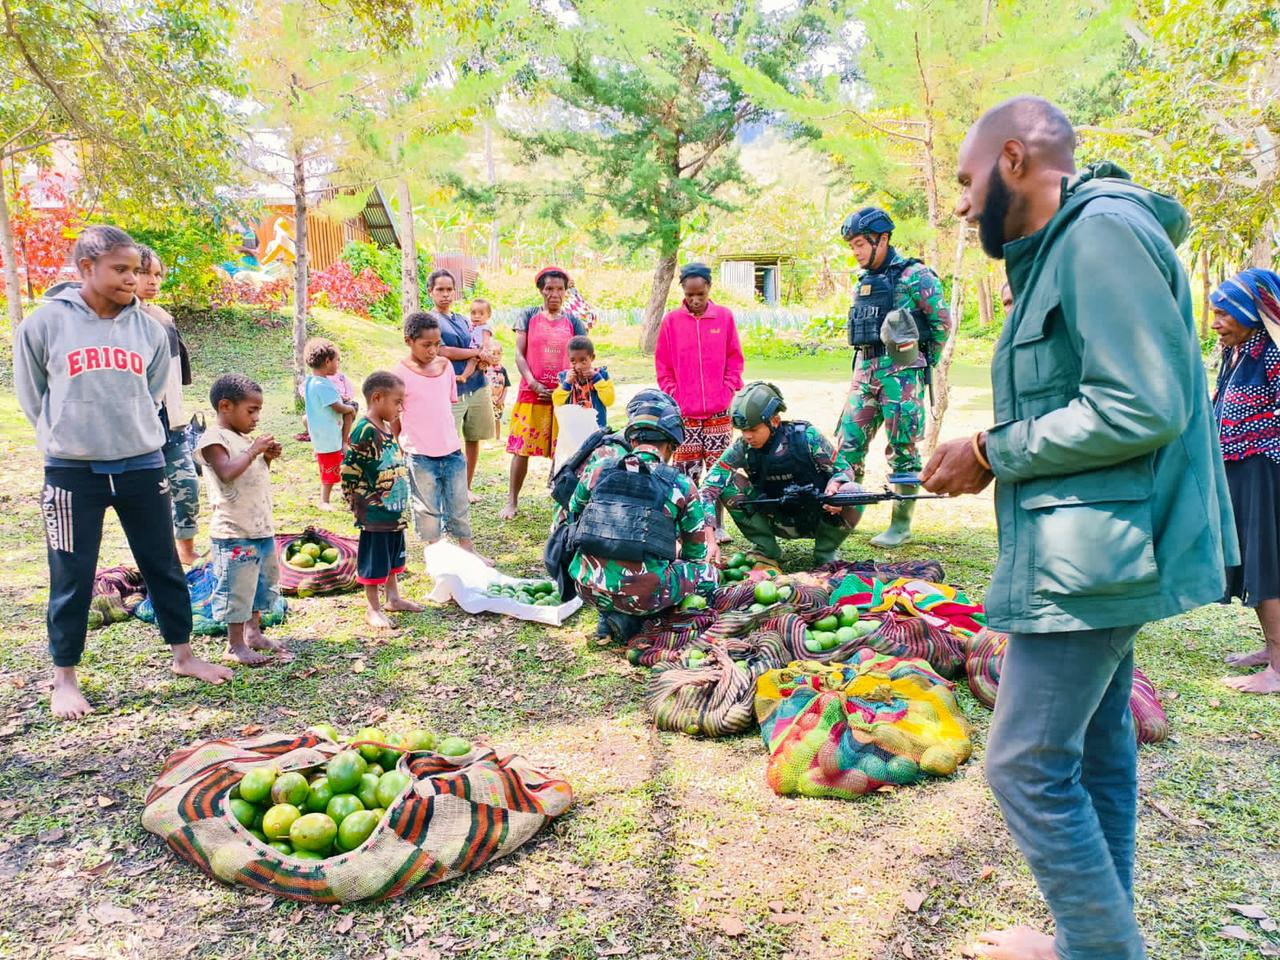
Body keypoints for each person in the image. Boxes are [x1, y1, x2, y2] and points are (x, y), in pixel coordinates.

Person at [923, 96, 1235, 960]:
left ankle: (1102, 950)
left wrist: (990, 449)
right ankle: (1089, 940)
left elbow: (1140, 405)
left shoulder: (1099, 235)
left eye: (966, 180)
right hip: (1088, 548)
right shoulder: (1062, 248)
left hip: (1097, 556)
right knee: (1096, 746)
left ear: (1014, 159)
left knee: (1022, 763)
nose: (961, 204)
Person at [13, 225, 233, 719]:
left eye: (136, 269)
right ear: (86, 268)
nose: (132, 278)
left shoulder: (149, 329)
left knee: (162, 563)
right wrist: (66, 436)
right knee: (72, 573)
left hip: (141, 464)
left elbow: (152, 391)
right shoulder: (44, 324)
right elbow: (32, 395)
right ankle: (64, 679)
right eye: (120, 269)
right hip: (72, 472)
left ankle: (184, 655)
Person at [834, 206, 951, 548]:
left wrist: (921, 362)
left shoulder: (916, 276)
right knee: (848, 443)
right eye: (852, 245)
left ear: (882, 239)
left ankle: (900, 525)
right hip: (865, 371)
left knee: (903, 447)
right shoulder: (864, 280)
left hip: (901, 375)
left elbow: (941, 324)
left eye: (860, 244)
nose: (855, 252)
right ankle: (846, 516)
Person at [565, 390, 719, 641]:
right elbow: (695, 555)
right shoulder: (680, 484)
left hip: (587, 587)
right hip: (643, 596)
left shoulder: (598, 470)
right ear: (670, 445)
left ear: (633, 440)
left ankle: (610, 614)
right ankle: (648, 619)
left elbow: (574, 509)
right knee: (708, 575)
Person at [702, 382, 863, 568]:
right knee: (727, 483)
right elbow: (708, 488)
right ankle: (766, 548)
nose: (747, 436)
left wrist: (835, 486)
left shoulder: (806, 437)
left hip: (819, 516)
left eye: (753, 429)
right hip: (774, 517)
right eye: (743, 431)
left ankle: (825, 551)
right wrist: (710, 539)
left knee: (853, 491)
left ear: (775, 421)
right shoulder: (743, 448)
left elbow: (844, 470)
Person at [1210, 269, 1280, 695]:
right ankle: (1271, 649)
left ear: (1250, 313)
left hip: (1264, 471)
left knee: (1267, 564)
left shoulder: (1273, 353)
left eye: (1224, 314)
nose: (1215, 323)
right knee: (1255, 561)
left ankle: (1279, 668)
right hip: (1239, 468)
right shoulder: (1237, 351)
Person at [195, 374, 290, 665]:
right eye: (252, 410)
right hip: (233, 532)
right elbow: (226, 472)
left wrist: (266, 457)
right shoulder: (214, 439)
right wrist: (253, 451)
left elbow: (250, 474)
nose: (256, 417)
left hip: (259, 527)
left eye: (258, 410)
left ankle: (253, 633)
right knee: (236, 589)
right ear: (225, 406)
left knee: (259, 584)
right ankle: (234, 645)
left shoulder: (243, 439)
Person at [654, 262, 744, 540]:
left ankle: (717, 526)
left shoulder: (724, 318)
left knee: (719, 471)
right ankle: (688, 529)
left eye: (700, 294)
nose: (695, 300)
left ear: (709, 289)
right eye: (689, 295)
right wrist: (675, 396)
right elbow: (663, 366)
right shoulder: (671, 322)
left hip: (719, 413)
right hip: (686, 415)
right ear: (682, 291)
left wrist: (728, 390)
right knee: (685, 473)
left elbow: (735, 359)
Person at [397, 312, 487, 561]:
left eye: (437, 344)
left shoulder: (445, 366)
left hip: (451, 449)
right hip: (419, 453)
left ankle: (467, 550)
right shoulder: (399, 374)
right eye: (426, 345)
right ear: (409, 341)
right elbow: (394, 415)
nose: (433, 350)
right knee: (426, 507)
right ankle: (437, 555)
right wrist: (401, 444)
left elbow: (446, 404)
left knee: (458, 502)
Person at [341, 370, 424, 630]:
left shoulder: (386, 428)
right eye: (397, 402)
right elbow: (349, 471)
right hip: (374, 514)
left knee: (392, 557)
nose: (400, 408)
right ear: (377, 398)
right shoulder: (364, 430)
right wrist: (358, 504)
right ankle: (373, 608)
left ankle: (393, 598)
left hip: (393, 511)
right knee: (375, 560)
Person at [503, 266, 588, 519]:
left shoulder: (573, 321)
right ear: (541, 290)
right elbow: (519, 354)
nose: (554, 294)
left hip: (564, 395)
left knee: (564, 451)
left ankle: (560, 501)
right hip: (532, 393)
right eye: (549, 288)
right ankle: (511, 501)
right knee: (521, 449)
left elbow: (582, 355)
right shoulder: (528, 315)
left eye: (560, 289)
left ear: (566, 291)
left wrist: (564, 387)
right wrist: (532, 383)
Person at [136, 245, 199, 565]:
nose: (153, 281)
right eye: (144, 273)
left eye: (158, 274)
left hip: (170, 421)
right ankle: (158, 556)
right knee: (149, 496)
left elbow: (175, 376)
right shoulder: (118, 322)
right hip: (137, 427)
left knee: (187, 485)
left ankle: (186, 550)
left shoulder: (162, 318)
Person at [424, 270, 494, 498]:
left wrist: (486, 356)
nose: (445, 294)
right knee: (449, 442)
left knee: (473, 438)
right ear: (430, 291)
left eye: (449, 289)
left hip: (477, 385)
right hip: (451, 388)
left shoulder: (463, 320)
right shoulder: (430, 321)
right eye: (440, 289)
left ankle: (466, 487)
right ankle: (448, 490)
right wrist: (476, 353)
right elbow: (443, 351)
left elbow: (481, 343)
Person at [302, 338, 357, 510]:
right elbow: (337, 406)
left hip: (322, 434)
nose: (338, 364)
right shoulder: (323, 385)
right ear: (327, 361)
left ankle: (347, 496)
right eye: (336, 361)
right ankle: (324, 501)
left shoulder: (311, 381)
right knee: (330, 472)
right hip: (329, 436)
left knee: (337, 467)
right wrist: (349, 408)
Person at [552, 335, 615, 429]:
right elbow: (557, 402)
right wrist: (567, 383)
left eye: (583, 361)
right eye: (573, 361)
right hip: (572, 428)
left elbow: (609, 401)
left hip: (596, 428)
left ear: (592, 357)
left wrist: (597, 378)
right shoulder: (565, 377)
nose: (578, 366)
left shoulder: (602, 375)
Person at [453, 297, 497, 387]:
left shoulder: (485, 327)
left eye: (481, 314)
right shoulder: (472, 326)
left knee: (472, 361)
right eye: (473, 313)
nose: (477, 316)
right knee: (476, 363)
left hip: (481, 350)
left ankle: (464, 376)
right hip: (474, 349)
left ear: (488, 315)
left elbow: (486, 340)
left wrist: (484, 350)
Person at [486, 342, 510, 439]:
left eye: (498, 353)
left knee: (497, 419)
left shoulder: (503, 370)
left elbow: (506, 386)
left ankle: (497, 438)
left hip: (498, 400)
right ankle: (487, 438)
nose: (496, 356)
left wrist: (502, 399)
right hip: (487, 400)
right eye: (493, 353)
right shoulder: (485, 369)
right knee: (487, 419)